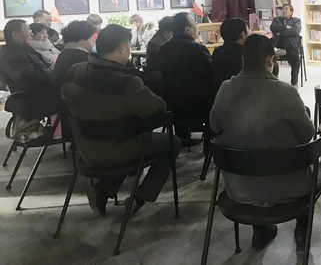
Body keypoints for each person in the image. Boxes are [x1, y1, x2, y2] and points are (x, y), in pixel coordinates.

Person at [62, 24, 181, 216]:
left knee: (125, 139)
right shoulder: (127, 83)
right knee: (172, 142)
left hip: (84, 148)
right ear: (122, 48)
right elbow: (158, 108)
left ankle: (102, 191)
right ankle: (140, 197)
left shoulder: (75, 71)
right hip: (115, 150)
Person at [210, 34, 315, 250]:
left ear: (243, 59)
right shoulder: (286, 92)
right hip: (289, 187)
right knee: (309, 162)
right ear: (270, 59)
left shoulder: (226, 88)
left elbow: (214, 126)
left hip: (238, 188)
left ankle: (261, 231)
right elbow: (307, 135)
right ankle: (302, 230)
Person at [159, 12, 216, 148]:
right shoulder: (196, 48)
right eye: (194, 24)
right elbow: (212, 72)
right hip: (198, 103)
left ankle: (183, 137)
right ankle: (210, 143)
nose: (197, 26)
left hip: (172, 102)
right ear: (187, 29)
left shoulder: (164, 48)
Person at [51, 20, 96, 137]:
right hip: (75, 108)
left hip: (63, 104)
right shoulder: (82, 57)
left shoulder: (65, 53)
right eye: (91, 37)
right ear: (82, 39)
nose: (94, 40)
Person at [0, 19, 52, 93]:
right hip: (29, 97)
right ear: (15, 35)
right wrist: (52, 71)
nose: (32, 34)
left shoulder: (25, 49)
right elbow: (28, 78)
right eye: (28, 32)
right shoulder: (10, 55)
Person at [270, 3, 302, 87]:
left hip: (290, 47)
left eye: (286, 9)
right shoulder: (276, 19)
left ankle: (294, 82)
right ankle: (274, 80)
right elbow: (273, 28)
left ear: (291, 12)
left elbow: (295, 32)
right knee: (270, 57)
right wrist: (285, 27)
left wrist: (280, 33)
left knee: (296, 59)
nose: (284, 10)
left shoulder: (296, 21)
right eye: (283, 9)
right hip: (277, 46)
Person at [212, 18, 249, 88]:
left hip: (220, 92)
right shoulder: (246, 54)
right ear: (243, 35)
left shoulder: (217, 52)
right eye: (248, 31)